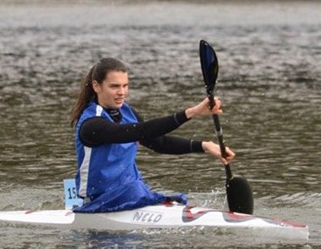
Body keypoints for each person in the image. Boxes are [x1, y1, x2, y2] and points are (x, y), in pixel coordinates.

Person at [69, 57, 235, 213]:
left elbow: (159, 143)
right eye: (114, 86)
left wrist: (204, 146)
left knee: (151, 193)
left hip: (130, 192)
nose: (122, 92)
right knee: (136, 190)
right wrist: (191, 112)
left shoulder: (127, 112)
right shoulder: (91, 124)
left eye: (125, 85)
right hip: (98, 201)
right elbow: (141, 131)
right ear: (97, 86)